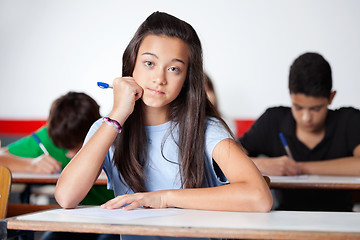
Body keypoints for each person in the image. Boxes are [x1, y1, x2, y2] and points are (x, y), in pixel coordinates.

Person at [55, 11, 272, 240]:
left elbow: (259, 197)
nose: (159, 78)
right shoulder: (107, 127)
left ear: (187, 77)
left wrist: (163, 198)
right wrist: (117, 115)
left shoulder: (206, 129)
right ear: (132, 64)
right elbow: (66, 197)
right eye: (149, 63)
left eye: (174, 69)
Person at [239, 52, 360, 211]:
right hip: (284, 220)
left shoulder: (348, 120)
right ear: (290, 96)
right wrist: (262, 164)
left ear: (331, 97)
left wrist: (300, 168)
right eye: (298, 107)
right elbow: (227, 158)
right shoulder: (273, 120)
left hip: (341, 220)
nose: (306, 118)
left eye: (316, 109)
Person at [0, 92, 117, 240]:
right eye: (63, 147)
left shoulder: (110, 133)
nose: (69, 155)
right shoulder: (47, 138)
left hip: (115, 217)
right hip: (77, 217)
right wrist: (30, 165)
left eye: (76, 147)